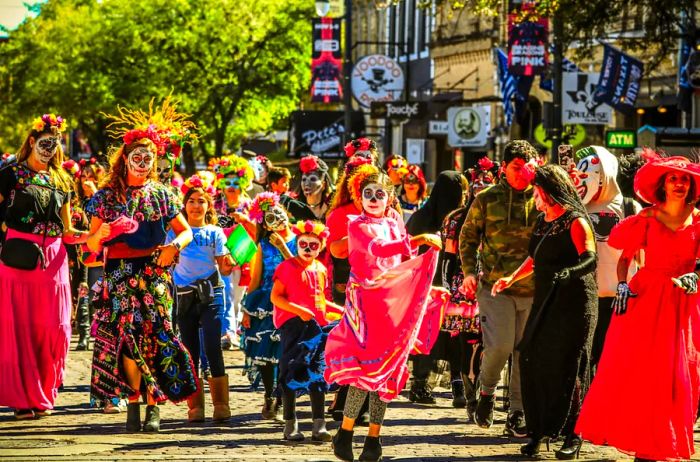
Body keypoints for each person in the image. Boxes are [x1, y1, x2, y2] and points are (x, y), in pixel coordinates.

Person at [576, 155, 700, 462]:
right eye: (673, 179)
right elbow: (624, 259)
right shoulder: (645, 218)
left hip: (683, 304)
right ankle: (646, 441)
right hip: (645, 299)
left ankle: (666, 436)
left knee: (681, 373)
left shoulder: (698, 220)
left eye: (685, 179)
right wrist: (622, 285)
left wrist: (694, 277)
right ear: (662, 184)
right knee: (643, 372)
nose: (680, 184)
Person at [326, 166, 447, 462]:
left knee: (389, 372)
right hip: (365, 303)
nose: (373, 198)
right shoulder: (355, 224)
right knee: (366, 371)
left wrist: (426, 291)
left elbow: (404, 261)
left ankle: (373, 438)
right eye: (367, 193)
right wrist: (420, 240)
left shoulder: (395, 222)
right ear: (359, 196)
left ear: (390, 197)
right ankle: (346, 432)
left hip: (391, 303)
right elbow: (377, 250)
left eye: (380, 193)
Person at [86, 122, 197, 433]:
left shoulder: (163, 194)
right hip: (119, 275)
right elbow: (91, 244)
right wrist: (102, 233)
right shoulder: (106, 196)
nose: (144, 161)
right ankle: (132, 402)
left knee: (156, 335)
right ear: (126, 157)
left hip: (153, 273)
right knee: (128, 339)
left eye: (148, 156)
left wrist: (173, 247)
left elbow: (185, 231)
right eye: (138, 155)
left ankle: (154, 407)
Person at [492, 164, 598, 459]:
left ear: (548, 192)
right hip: (546, 300)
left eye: (536, 191)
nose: (533, 195)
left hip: (575, 305)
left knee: (569, 367)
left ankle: (572, 434)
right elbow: (534, 257)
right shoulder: (543, 221)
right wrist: (511, 277)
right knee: (531, 358)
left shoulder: (576, 222)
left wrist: (570, 272)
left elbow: (589, 258)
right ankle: (539, 429)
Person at [0, 114, 89, 420]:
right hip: (17, 257)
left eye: (55, 143)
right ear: (32, 142)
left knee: (56, 328)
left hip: (54, 259)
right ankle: (24, 399)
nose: (50, 148)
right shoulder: (9, 175)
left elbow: (68, 231)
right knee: (20, 329)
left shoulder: (62, 179)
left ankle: (44, 392)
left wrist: (97, 235)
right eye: (45, 143)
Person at [459, 140, 538, 437]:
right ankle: (487, 393)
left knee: (524, 351)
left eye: (527, 168)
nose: (522, 174)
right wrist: (469, 272)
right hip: (495, 287)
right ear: (503, 168)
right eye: (516, 168)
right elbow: (467, 238)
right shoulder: (486, 198)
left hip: (533, 288)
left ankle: (517, 412)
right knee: (501, 346)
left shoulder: (542, 198)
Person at [567, 146, 641, 373]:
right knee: (584, 358)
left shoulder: (629, 207)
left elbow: (640, 256)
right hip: (584, 296)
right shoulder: (575, 207)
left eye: (590, 173)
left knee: (617, 359)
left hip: (621, 297)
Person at [169, 175, 235, 423]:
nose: (196, 206)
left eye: (201, 201)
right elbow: (167, 260)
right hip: (185, 295)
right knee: (189, 351)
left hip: (211, 293)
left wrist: (234, 257)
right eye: (192, 201)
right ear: (184, 204)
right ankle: (195, 407)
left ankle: (221, 404)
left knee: (212, 346)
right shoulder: (173, 231)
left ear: (209, 206)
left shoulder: (215, 232)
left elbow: (225, 269)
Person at [271, 220, 342, 442]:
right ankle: (290, 424)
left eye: (313, 244)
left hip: (318, 329)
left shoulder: (320, 268)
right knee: (291, 373)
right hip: (293, 327)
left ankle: (319, 425)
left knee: (318, 375)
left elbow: (321, 301)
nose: (308, 248)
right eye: (304, 243)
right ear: (297, 243)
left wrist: (343, 311)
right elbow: (276, 297)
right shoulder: (286, 267)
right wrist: (297, 310)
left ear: (320, 246)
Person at [406, 170, 470, 404]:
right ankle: (447, 384)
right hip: (441, 285)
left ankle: (432, 384)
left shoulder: (424, 217)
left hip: (436, 286)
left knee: (441, 334)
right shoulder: (454, 218)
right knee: (442, 335)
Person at [430, 173, 482, 416]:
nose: (481, 192)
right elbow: (447, 258)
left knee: (488, 343)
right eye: (477, 188)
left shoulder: (502, 214)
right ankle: (466, 392)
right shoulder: (457, 219)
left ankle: (484, 392)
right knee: (464, 341)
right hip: (463, 287)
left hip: (494, 285)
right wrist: (448, 288)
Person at [240, 192, 297, 419]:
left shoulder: (301, 239)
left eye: (278, 213)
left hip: (291, 301)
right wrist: (246, 307)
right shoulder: (262, 244)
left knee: (286, 352)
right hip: (265, 302)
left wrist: (283, 246)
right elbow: (255, 278)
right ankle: (269, 395)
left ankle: (282, 396)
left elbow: (300, 268)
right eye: (269, 217)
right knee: (266, 352)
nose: (276, 219)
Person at [212, 154, 255, 350]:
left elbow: (258, 230)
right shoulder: (214, 204)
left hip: (243, 253)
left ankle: (234, 328)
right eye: (227, 182)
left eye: (235, 182)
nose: (231, 186)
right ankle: (227, 331)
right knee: (226, 293)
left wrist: (245, 219)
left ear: (243, 182)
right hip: (220, 255)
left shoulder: (249, 205)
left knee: (238, 295)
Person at [296, 155, 333, 221]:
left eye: (313, 179)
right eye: (304, 179)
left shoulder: (332, 208)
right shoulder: (295, 207)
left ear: (323, 185)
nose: (307, 184)